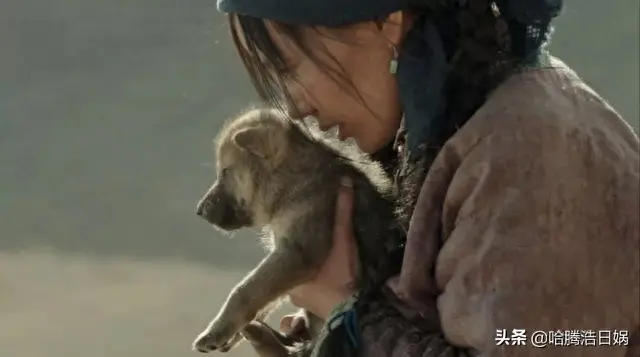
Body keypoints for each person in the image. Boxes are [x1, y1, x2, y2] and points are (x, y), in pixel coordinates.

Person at [212, 0, 640, 356]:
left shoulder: (528, 152)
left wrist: (350, 315)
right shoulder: (460, 126)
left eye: (288, 68)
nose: (295, 109)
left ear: (387, 21)